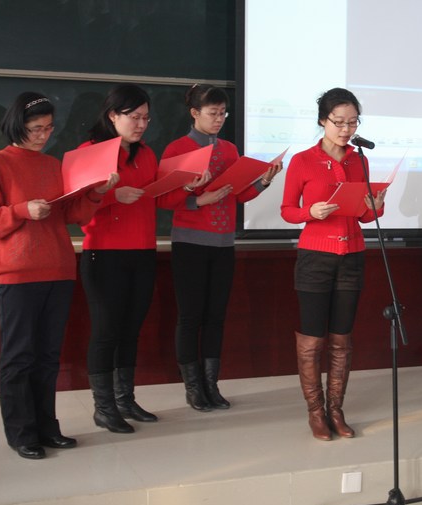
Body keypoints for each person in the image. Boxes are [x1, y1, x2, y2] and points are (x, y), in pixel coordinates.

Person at [0, 92, 117, 459]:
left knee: (49, 356)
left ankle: (47, 427)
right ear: (17, 125)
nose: (43, 135)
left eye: (49, 128)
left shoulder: (54, 165)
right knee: (19, 357)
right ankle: (22, 433)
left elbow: (71, 214)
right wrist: (22, 210)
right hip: (18, 274)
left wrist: (97, 193)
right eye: (36, 128)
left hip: (59, 269)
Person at [158, 84, 282, 411]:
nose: (219, 119)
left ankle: (211, 384)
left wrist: (264, 180)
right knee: (190, 316)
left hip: (224, 243)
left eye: (223, 113)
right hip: (190, 243)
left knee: (216, 316)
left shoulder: (229, 149)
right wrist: (198, 199)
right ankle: (193, 387)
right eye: (213, 113)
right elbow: (163, 199)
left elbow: (238, 194)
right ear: (194, 113)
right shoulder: (177, 148)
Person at [280, 87, 386, 440]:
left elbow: (366, 216)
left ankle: (336, 410)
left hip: (352, 255)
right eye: (339, 122)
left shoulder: (360, 160)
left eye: (352, 122)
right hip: (315, 257)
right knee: (313, 340)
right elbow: (287, 210)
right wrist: (309, 212)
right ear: (322, 121)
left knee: (342, 340)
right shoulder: (303, 161)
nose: (346, 129)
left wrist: (376, 205)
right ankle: (315, 411)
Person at [80, 84, 159, 433]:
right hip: (104, 253)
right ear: (113, 115)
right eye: (134, 117)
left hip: (143, 251)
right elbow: (76, 207)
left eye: (146, 118)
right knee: (106, 331)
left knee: (131, 330)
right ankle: (104, 406)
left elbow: (156, 195)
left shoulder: (148, 154)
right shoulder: (89, 152)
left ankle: (125, 399)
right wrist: (113, 196)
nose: (141, 124)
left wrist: (184, 186)